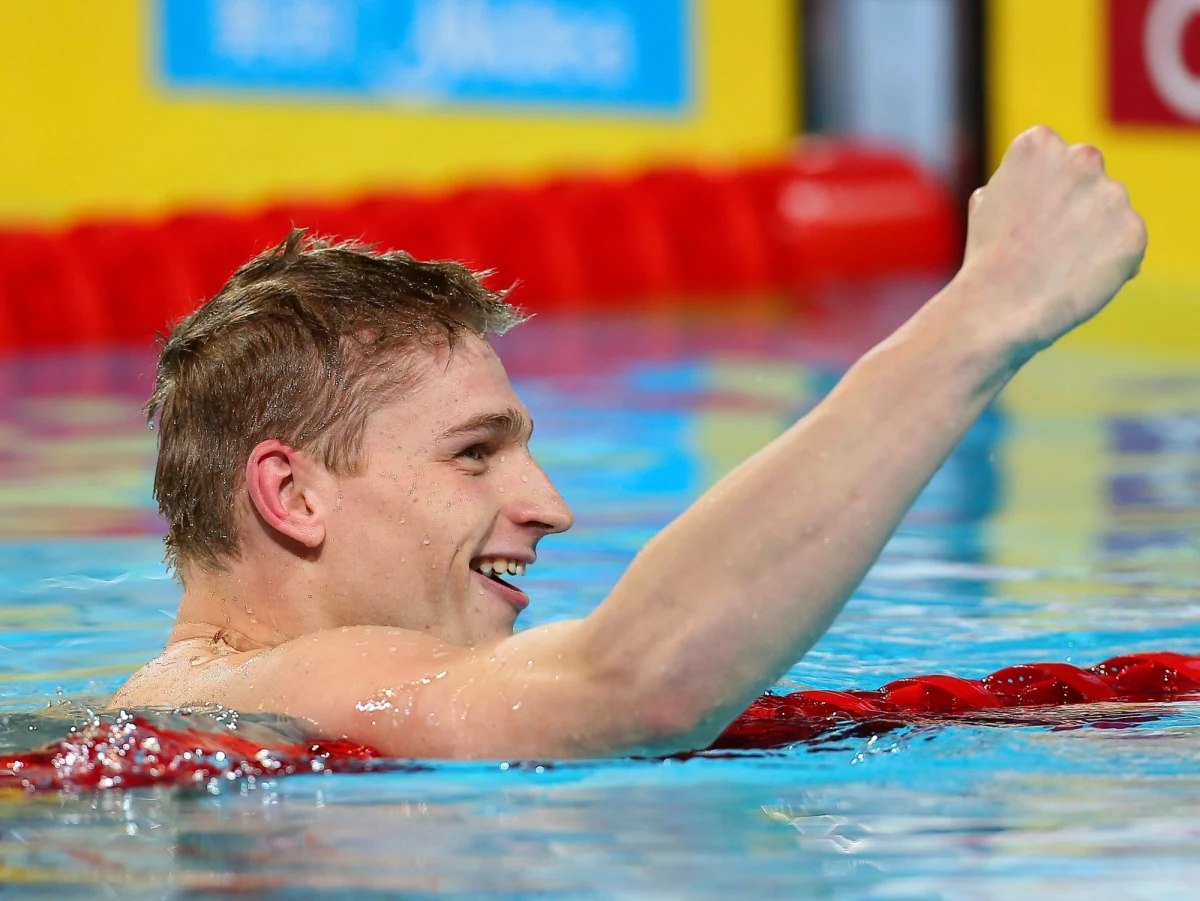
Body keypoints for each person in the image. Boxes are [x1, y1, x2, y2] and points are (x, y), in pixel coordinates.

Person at [113, 126, 1147, 759]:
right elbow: (639, 686)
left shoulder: (219, 722)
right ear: (291, 495)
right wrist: (983, 320)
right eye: (475, 452)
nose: (552, 506)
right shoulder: (271, 695)